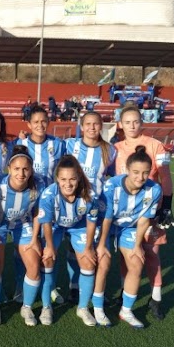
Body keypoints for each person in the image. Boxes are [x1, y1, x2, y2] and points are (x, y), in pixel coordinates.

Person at [114, 105, 174, 320]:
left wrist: (166, 206)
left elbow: (165, 177)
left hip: (150, 210)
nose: (132, 126)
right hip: (123, 214)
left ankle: (156, 298)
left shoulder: (156, 145)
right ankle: (124, 292)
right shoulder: (116, 148)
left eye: (136, 121)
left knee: (151, 254)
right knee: (126, 255)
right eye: (127, 122)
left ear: (142, 122)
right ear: (121, 124)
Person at [38, 155, 108, 327]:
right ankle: (46, 306)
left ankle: (82, 308)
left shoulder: (88, 195)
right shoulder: (48, 195)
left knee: (89, 262)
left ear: (79, 178)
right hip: (55, 225)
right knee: (47, 259)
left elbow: (91, 223)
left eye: (72, 179)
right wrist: (49, 247)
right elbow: (46, 223)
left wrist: (89, 247)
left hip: (79, 226)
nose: (67, 184)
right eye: (63, 179)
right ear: (57, 179)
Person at [97, 147, 163, 328]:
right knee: (101, 261)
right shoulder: (112, 186)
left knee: (136, 261)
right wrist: (102, 245)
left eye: (145, 173)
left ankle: (126, 311)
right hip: (105, 224)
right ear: (126, 169)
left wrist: (137, 245)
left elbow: (144, 220)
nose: (140, 177)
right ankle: (96, 305)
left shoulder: (154, 189)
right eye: (135, 172)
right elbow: (107, 218)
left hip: (129, 228)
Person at [64, 111, 117, 304]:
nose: (92, 127)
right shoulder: (71, 145)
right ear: (82, 126)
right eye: (88, 124)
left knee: (97, 248)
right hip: (73, 205)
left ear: (101, 126)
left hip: (97, 208)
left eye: (96, 124)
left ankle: (97, 289)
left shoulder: (110, 150)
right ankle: (74, 286)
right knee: (72, 248)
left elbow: (112, 176)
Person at [0, 145, 44, 326]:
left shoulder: (39, 184)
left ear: (31, 170)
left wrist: (35, 237)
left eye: (25, 169)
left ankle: (27, 307)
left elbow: (38, 211)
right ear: (9, 168)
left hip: (24, 225)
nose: (21, 173)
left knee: (34, 265)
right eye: (16, 169)